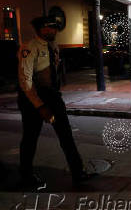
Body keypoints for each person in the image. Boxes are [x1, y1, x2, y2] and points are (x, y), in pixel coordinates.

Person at [17, 16, 96, 188]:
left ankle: (78, 172)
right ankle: (26, 176)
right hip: (33, 99)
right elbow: (25, 81)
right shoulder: (30, 47)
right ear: (40, 30)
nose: (53, 30)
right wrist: (40, 106)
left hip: (52, 96)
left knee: (66, 135)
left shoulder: (52, 46)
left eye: (55, 27)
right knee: (30, 138)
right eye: (49, 28)